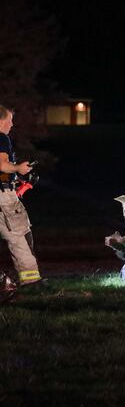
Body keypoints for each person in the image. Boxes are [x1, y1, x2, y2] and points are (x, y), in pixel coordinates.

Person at [0, 105, 41, 285]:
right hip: (3, 198)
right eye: (10, 120)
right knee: (20, 235)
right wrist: (18, 168)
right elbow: (1, 165)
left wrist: (14, 181)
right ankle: (31, 281)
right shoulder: (1, 138)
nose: (12, 124)